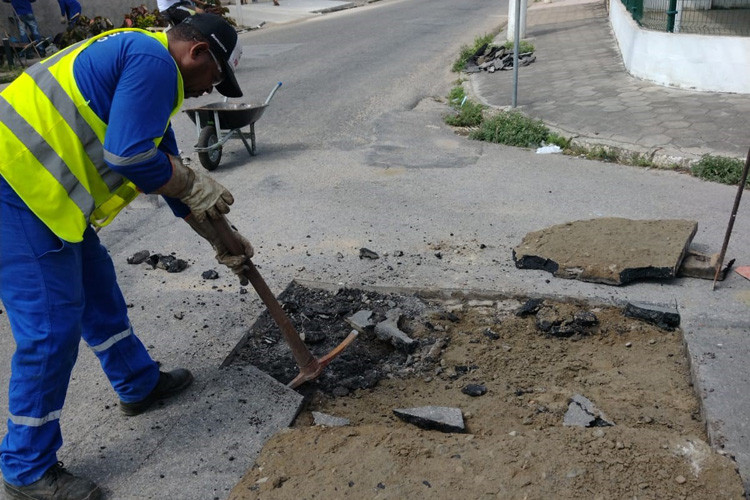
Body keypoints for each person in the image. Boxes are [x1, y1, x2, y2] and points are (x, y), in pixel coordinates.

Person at [0, 13, 252, 500]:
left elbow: (170, 172)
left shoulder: (149, 61)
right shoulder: (152, 62)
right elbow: (132, 158)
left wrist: (224, 240)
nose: (210, 91)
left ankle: (137, 383)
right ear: (197, 53)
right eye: (215, 78)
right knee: (50, 328)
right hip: (15, 189)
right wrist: (190, 182)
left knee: (98, 290)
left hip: (46, 195)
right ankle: (26, 468)